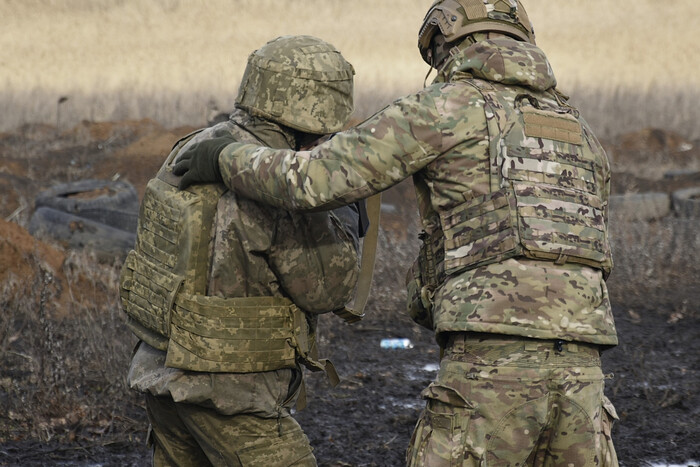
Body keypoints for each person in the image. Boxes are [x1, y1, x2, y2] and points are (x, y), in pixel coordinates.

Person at [175, 1, 622, 465]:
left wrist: (226, 158)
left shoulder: (446, 108)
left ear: (444, 40)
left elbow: (315, 179)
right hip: (584, 369)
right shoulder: (580, 131)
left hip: (490, 363)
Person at [120, 35, 363, 466]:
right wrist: (340, 217)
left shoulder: (197, 144)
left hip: (161, 374)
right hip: (230, 393)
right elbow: (328, 289)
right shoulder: (275, 176)